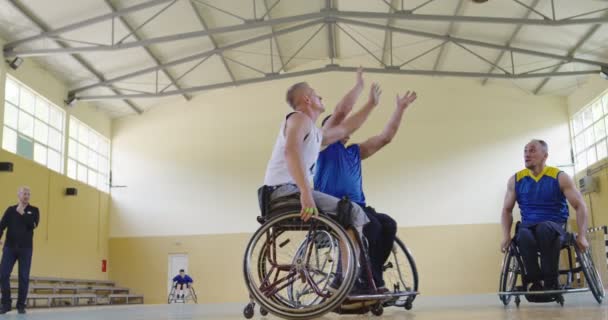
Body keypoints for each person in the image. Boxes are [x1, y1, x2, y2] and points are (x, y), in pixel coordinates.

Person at [263, 69, 380, 288]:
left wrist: (370, 103)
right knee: (354, 211)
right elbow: (291, 151)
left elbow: (348, 125)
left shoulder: (317, 134)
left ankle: (346, 279)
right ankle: (346, 283)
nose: (321, 98)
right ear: (307, 99)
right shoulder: (299, 118)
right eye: (317, 95)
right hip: (283, 192)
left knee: (351, 214)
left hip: (290, 190)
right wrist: (306, 193)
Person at [314, 90, 418, 293]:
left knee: (387, 224)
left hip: (358, 207)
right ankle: (356, 278)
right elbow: (333, 122)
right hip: (336, 209)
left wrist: (400, 109)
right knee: (372, 227)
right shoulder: (321, 147)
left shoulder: (354, 151)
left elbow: (385, 137)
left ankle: (374, 276)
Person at [500, 139, 589, 300]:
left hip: (554, 226)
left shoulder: (559, 177)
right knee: (524, 235)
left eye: (532, 150)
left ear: (545, 155)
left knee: (544, 228)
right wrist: (506, 236)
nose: (527, 154)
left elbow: (580, 206)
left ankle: (551, 282)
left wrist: (582, 235)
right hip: (528, 227)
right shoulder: (516, 180)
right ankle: (535, 283)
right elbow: (506, 210)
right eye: (525, 151)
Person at [0, 186, 40, 314]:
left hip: (26, 249)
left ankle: (21, 305)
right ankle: (6, 304)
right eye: (24, 193)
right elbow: (1, 225)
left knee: (23, 277)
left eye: (28, 194)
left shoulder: (34, 210)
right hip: (9, 248)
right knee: (3, 275)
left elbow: (33, 225)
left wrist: (22, 213)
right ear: (18, 195)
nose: (26, 196)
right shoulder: (10, 210)